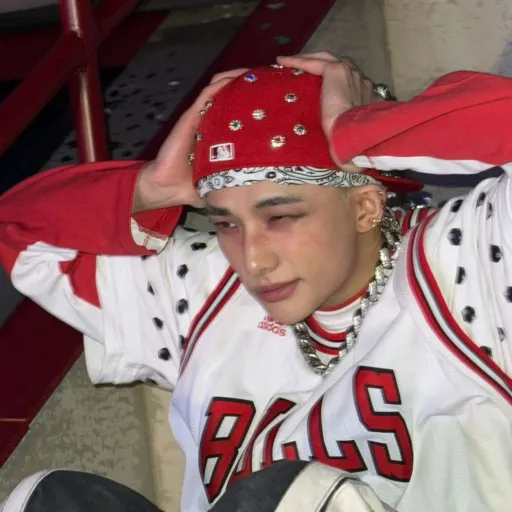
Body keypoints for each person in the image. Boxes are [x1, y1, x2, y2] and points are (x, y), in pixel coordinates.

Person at [1, 51, 512, 512]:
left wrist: (359, 130)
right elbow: (18, 231)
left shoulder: (468, 260)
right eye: (226, 223)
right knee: (47, 500)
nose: (252, 259)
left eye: (281, 217)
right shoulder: (204, 288)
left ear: (364, 205)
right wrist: (154, 188)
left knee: (290, 495)